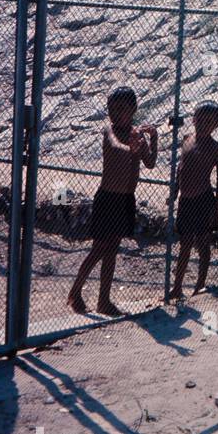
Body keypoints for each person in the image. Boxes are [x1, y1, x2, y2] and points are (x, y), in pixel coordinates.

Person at [67, 88, 157, 316]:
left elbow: (150, 163)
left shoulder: (137, 134)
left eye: (122, 109)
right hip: (107, 198)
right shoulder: (110, 131)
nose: (116, 114)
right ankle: (75, 292)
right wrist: (132, 147)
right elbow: (116, 147)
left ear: (134, 109)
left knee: (112, 250)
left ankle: (103, 301)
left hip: (125, 199)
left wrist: (153, 139)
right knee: (99, 248)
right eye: (112, 110)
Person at [168, 101, 218, 301]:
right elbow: (180, 169)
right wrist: (174, 192)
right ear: (193, 119)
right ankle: (177, 287)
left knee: (202, 243)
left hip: (203, 200)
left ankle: (200, 283)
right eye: (200, 119)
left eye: (209, 121)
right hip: (186, 200)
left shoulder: (216, 148)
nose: (203, 124)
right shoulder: (187, 139)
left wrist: (216, 204)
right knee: (184, 243)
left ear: (216, 125)